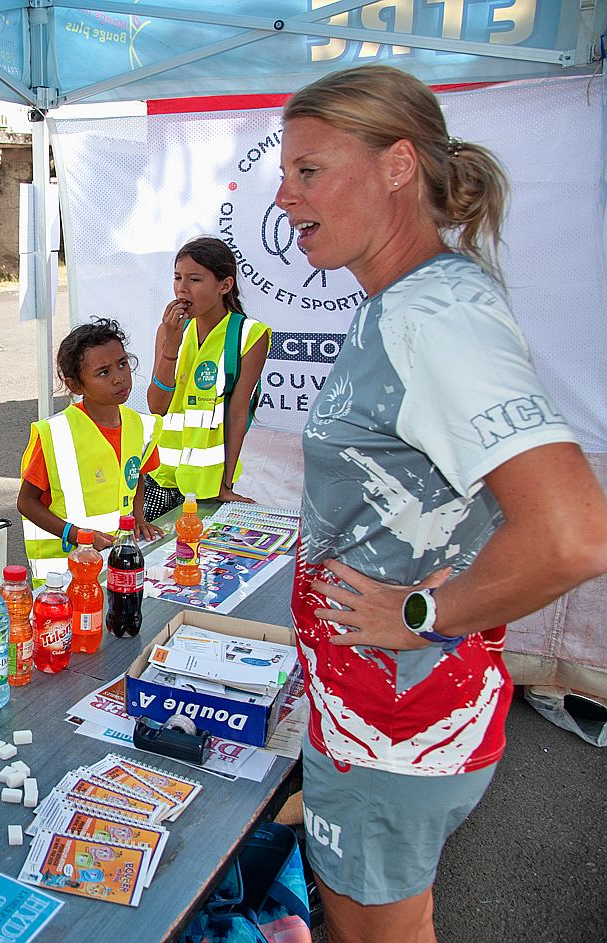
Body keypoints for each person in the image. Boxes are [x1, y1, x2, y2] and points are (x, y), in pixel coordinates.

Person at [276, 65, 607, 943]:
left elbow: (573, 533)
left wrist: (422, 612)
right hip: (383, 713)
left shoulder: (431, 312)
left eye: (308, 169)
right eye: (284, 171)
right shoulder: (411, 298)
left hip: (394, 719)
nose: (283, 194)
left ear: (396, 165)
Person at [18, 318, 164, 582]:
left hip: (117, 560)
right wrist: (77, 536)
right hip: (65, 572)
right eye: (104, 372)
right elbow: (26, 502)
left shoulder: (140, 425)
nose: (119, 378)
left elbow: (137, 477)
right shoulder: (55, 433)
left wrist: (139, 518)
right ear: (74, 385)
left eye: (122, 364)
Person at [145, 236, 270, 517]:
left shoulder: (249, 335)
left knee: (196, 557)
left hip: (208, 485)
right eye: (177, 278)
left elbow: (238, 414)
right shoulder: (169, 330)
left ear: (225, 285)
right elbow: (157, 406)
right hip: (159, 476)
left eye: (195, 280)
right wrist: (172, 345)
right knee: (153, 556)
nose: (182, 289)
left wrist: (225, 484)